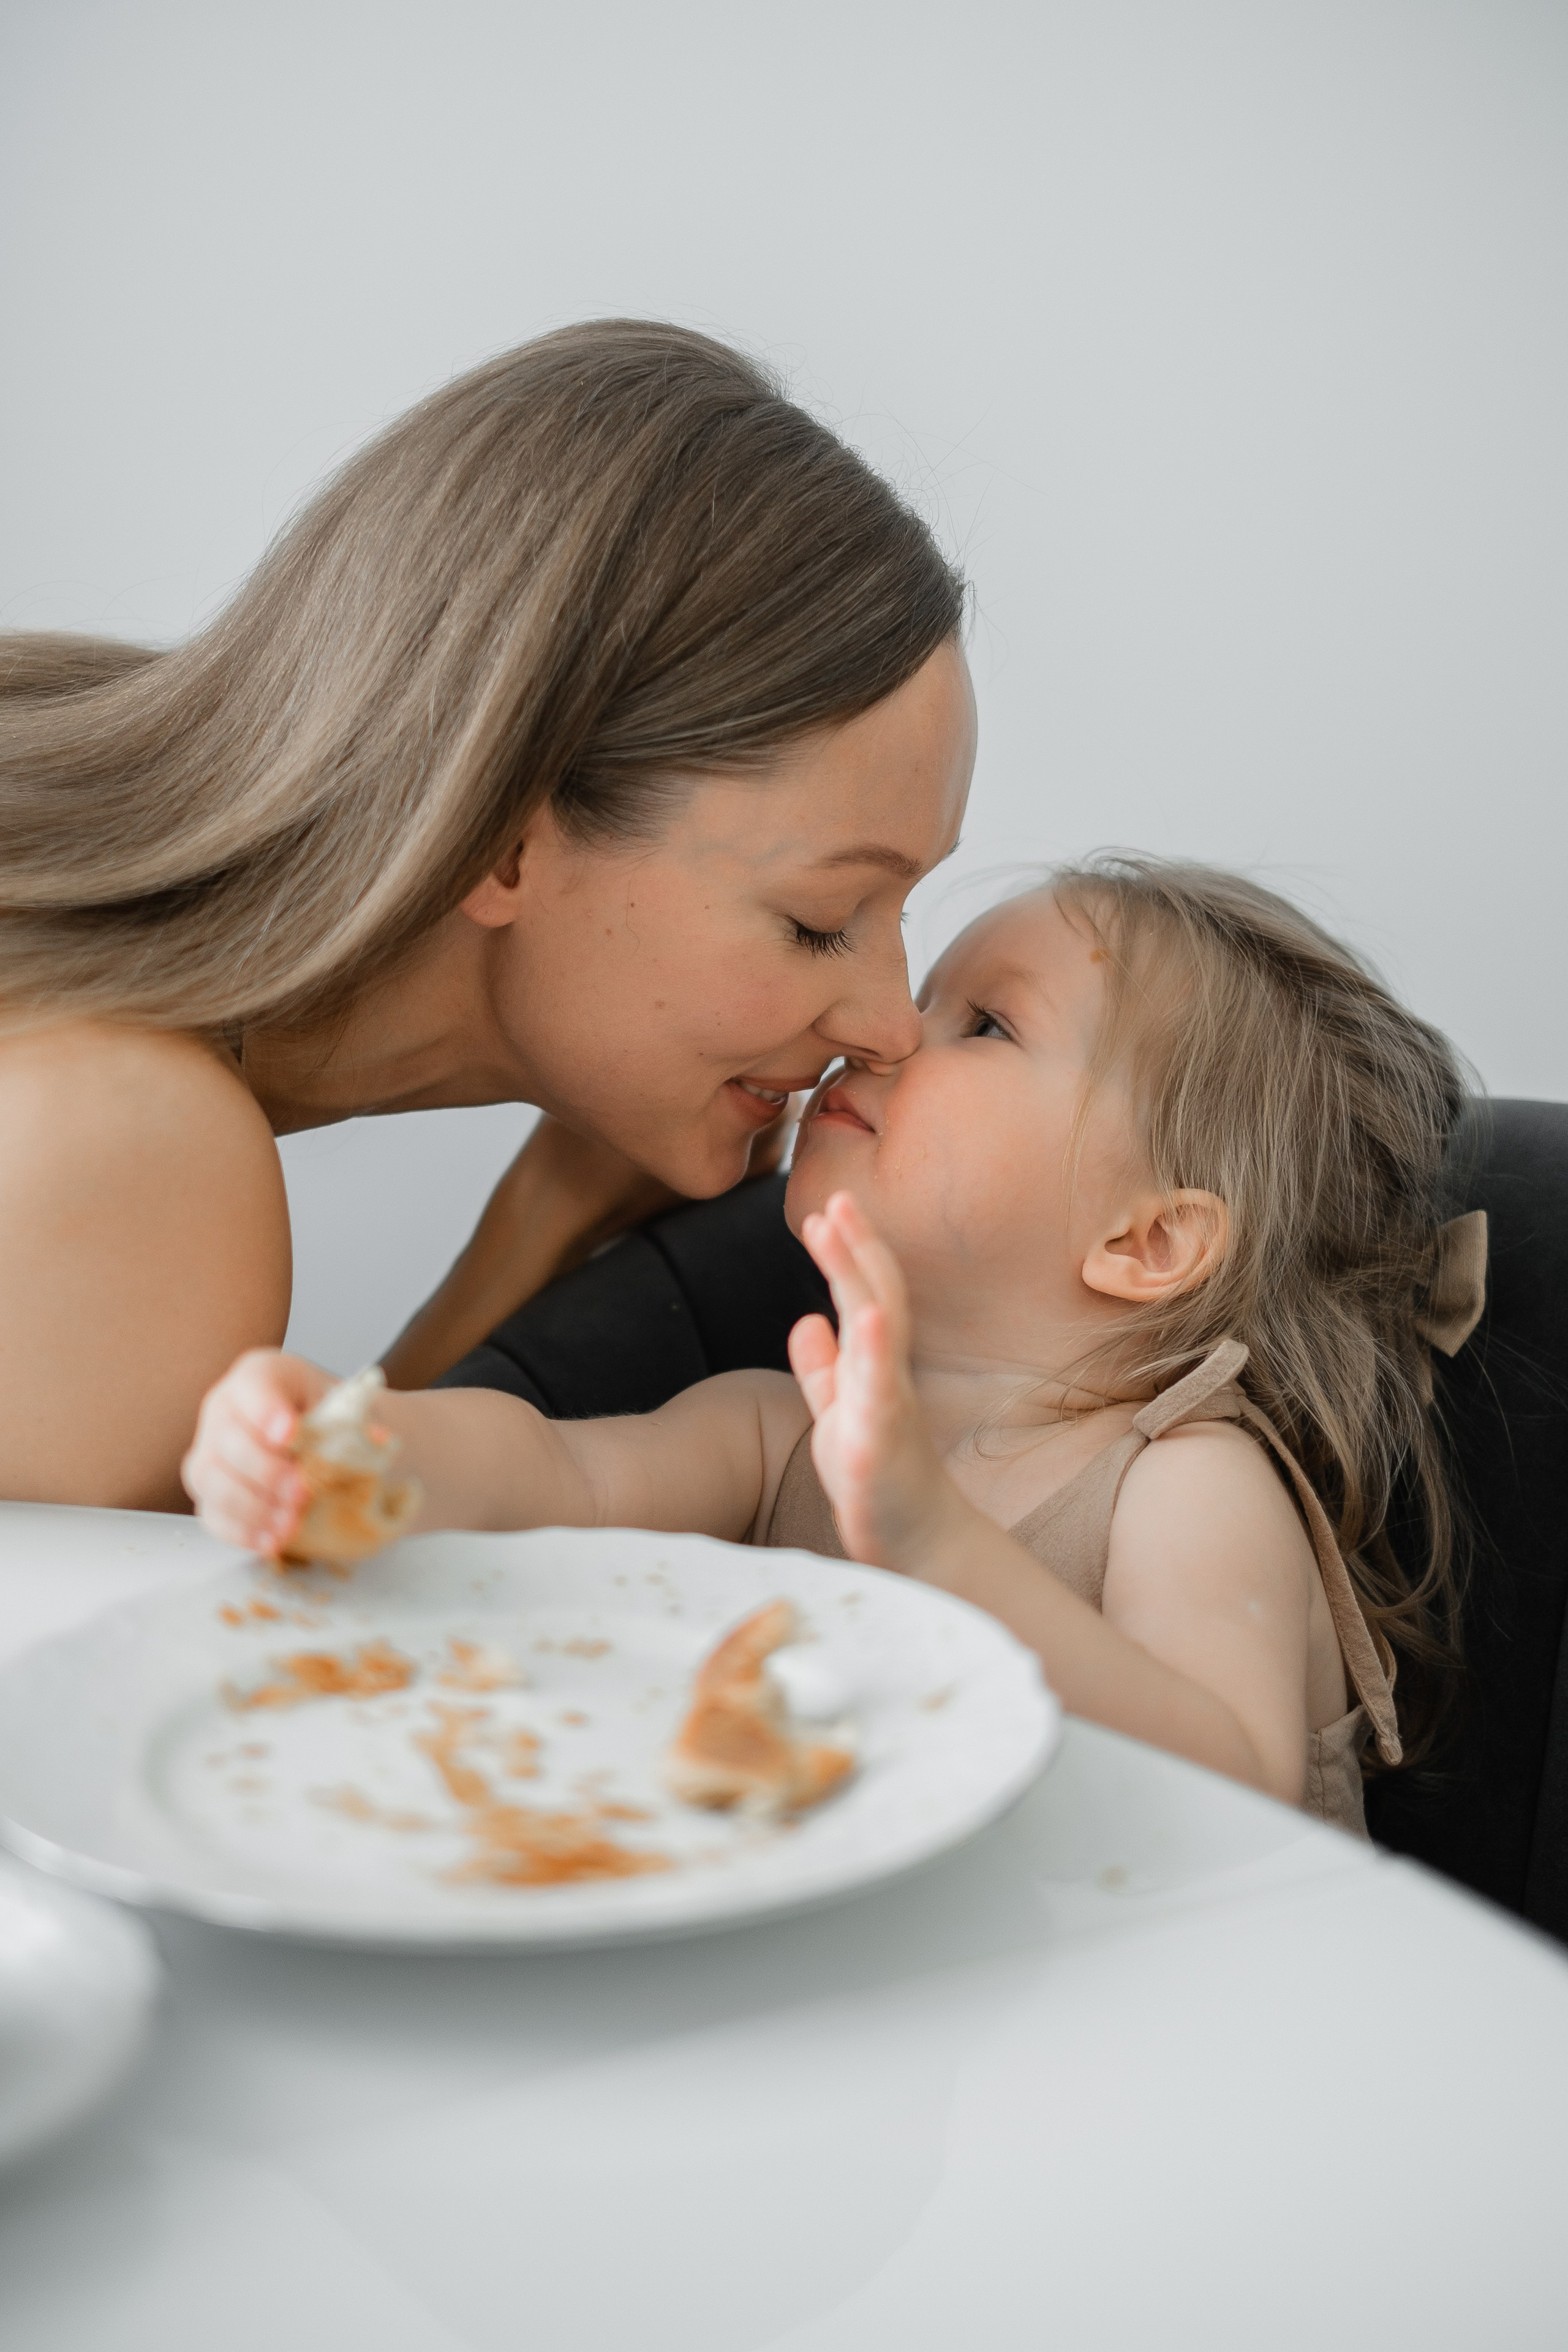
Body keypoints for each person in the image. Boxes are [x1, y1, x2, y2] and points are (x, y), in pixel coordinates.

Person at [185, 858, 1485, 1829]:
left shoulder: (1181, 1482)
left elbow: (1232, 1791)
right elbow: (552, 1477)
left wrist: (930, 1537)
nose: (891, 1032)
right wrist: (356, 1447)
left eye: (985, 1024)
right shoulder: (778, 1427)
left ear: (1145, 1243)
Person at [0, 322, 973, 1510]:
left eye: (901, 911)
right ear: (498, 837)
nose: (892, 1026)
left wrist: (533, 1235)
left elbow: (277, 1523)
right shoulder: (124, 1151)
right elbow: (204, 1664)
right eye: (822, 919)